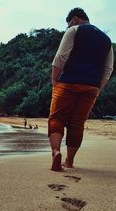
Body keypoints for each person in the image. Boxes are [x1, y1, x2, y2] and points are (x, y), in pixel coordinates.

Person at [49, 8, 114, 171]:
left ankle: (56, 152)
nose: (68, 27)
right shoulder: (106, 39)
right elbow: (108, 69)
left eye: (68, 23)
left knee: (56, 118)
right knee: (77, 123)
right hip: (91, 86)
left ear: (75, 19)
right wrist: (98, 89)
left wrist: (55, 81)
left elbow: (61, 56)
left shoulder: (74, 30)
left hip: (69, 82)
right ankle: (70, 162)